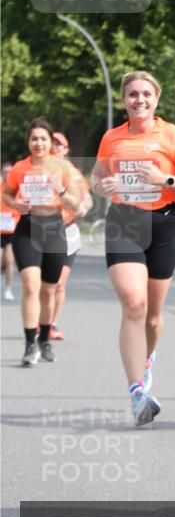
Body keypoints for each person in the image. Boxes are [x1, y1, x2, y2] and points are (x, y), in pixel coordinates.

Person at [90, 71, 175, 426]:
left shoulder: (171, 135)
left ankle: (148, 358)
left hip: (164, 223)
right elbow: (95, 179)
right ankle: (137, 391)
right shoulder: (112, 138)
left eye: (145, 94)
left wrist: (165, 180)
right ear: (123, 100)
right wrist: (102, 185)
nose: (139, 100)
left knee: (153, 316)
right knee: (134, 303)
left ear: (156, 99)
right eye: (132, 95)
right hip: (125, 221)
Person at [2, 119, 81, 366]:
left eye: (43, 138)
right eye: (34, 138)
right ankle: (29, 345)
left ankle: (44, 339)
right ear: (28, 142)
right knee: (30, 286)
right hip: (27, 228)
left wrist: (60, 191)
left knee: (49, 290)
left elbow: (76, 204)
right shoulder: (19, 168)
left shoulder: (63, 168)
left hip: (54, 229)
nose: (39, 143)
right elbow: (7, 193)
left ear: (50, 142)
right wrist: (15, 204)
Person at [48, 132, 94, 340]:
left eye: (60, 145)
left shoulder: (74, 174)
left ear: (66, 150)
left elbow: (87, 199)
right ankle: (40, 320)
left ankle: (51, 323)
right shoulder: (39, 170)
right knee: (44, 283)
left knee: (59, 282)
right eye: (53, 144)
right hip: (43, 229)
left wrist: (83, 208)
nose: (56, 148)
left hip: (68, 229)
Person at [1, 162, 20, 301]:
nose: (7, 174)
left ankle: (8, 289)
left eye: (10, 172)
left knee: (9, 259)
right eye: (5, 172)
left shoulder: (18, 191)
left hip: (12, 228)